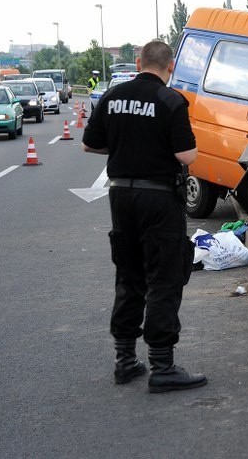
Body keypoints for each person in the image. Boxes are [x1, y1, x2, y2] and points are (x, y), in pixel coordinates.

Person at [82, 40, 206, 393]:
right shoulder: (171, 100)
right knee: (164, 277)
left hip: (120, 195)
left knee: (129, 274)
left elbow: (89, 144)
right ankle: (162, 366)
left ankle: (124, 361)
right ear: (170, 67)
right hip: (158, 198)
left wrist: (124, 146)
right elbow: (186, 155)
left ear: (138, 62)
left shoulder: (112, 97)